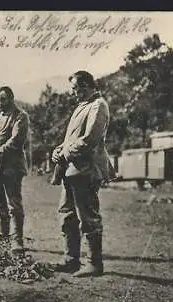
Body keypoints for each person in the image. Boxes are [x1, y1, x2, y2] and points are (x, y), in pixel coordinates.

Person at [51, 71, 114, 277]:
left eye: (75, 89)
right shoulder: (82, 106)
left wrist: (65, 154)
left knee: (88, 216)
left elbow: (90, 139)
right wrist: (58, 150)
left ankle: (94, 264)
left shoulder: (98, 106)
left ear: (86, 85)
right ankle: (71, 259)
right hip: (72, 169)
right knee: (67, 214)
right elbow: (72, 138)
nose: (73, 93)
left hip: (86, 169)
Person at [0, 86, 30, 253]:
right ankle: (3, 237)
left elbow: (16, 141)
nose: (0, 104)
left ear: (11, 98)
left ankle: (17, 240)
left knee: (14, 204)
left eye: (2, 100)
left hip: (12, 168)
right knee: (0, 203)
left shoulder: (20, 117)